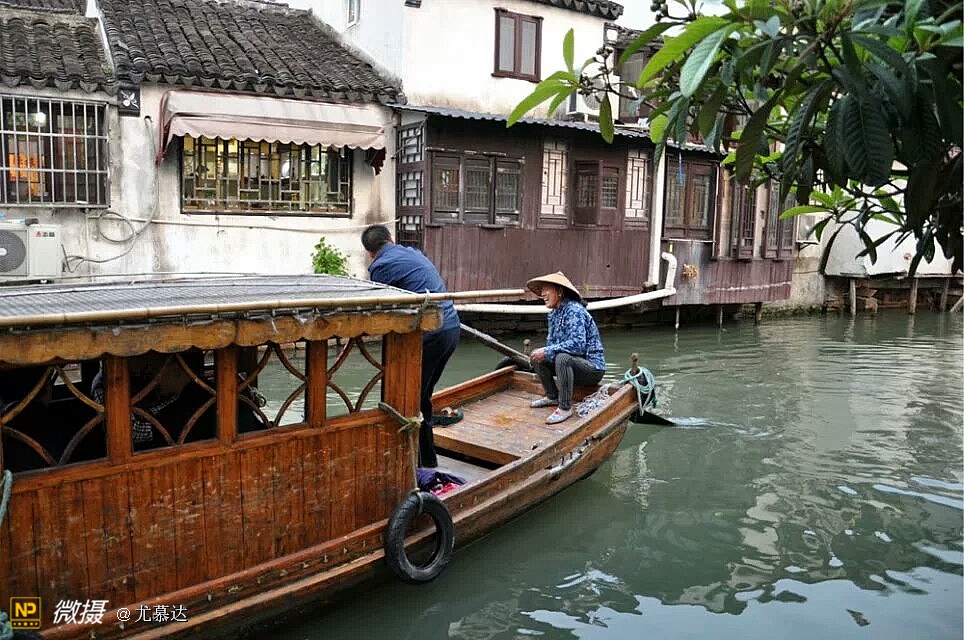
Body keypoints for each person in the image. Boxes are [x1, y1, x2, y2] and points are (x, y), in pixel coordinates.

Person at [361, 224, 460, 468]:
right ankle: (425, 461)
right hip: (451, 327)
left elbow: (383, 309)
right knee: (421, 396)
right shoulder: (412, 252)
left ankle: (418, 463)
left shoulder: (380, 267)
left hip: (432, 333)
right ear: (391, 239)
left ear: (369, 252)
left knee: (412, 398)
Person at [526, 271, 606, 425]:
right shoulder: (553, 314)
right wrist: (544, 353)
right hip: (570, 365)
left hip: (591, 369)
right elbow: (552, 345)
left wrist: (547, 351)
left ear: (559, 291)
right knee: (537, 357)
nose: (542, 294)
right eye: (541, 290)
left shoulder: (574, 310)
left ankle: (564, 408)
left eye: (546, 289)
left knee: (561, 358)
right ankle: (552, 396)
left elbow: (578, 345)